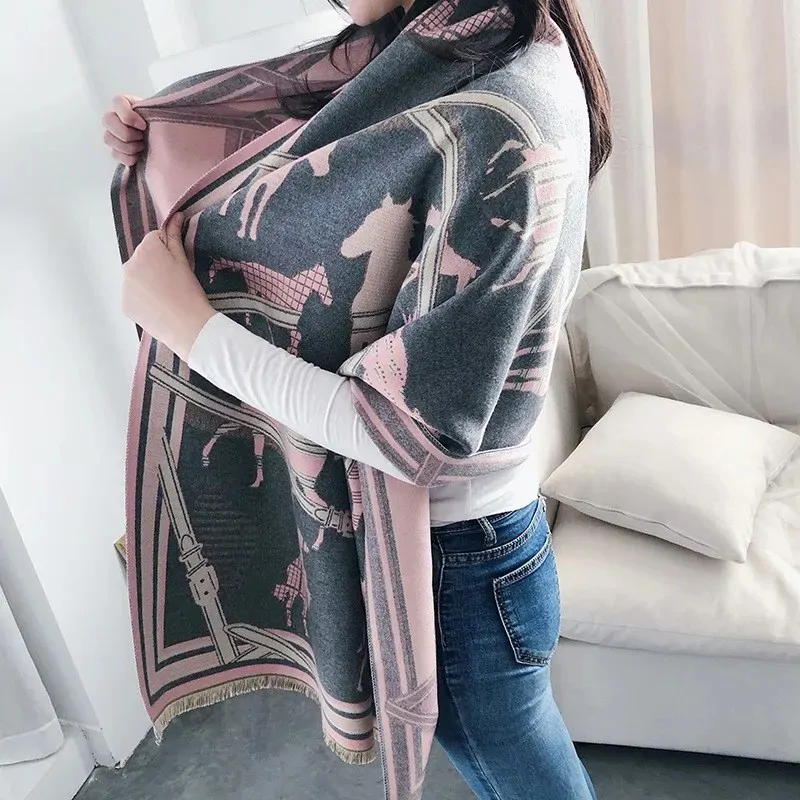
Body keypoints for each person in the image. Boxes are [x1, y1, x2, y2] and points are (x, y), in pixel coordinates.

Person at [103, 1, 610, 797]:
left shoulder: (502, 119)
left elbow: (405, 434)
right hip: (475, 548)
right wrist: (172, 130)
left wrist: (193, 330)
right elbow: (307, 125)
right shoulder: (472, 42)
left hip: (454, 562)